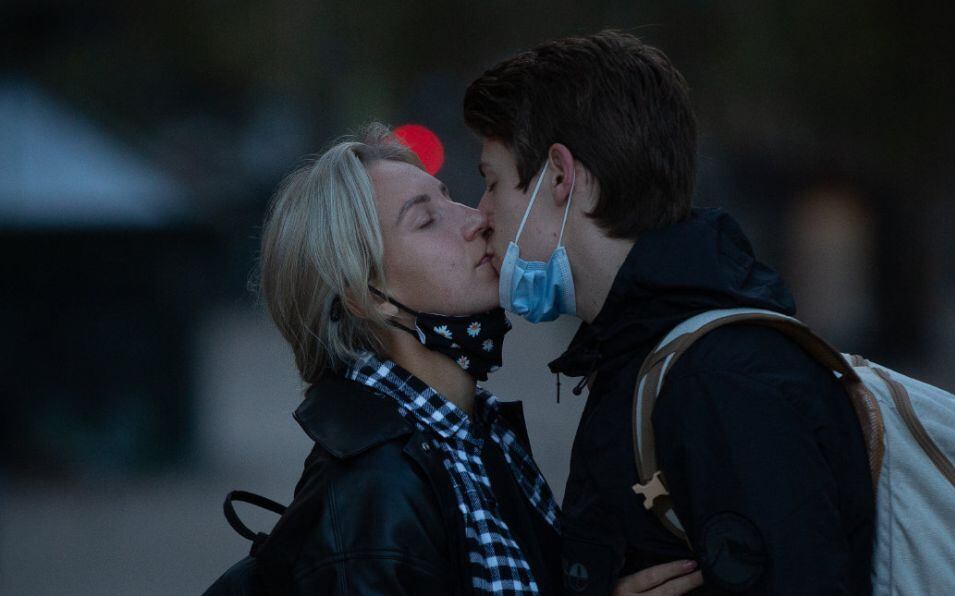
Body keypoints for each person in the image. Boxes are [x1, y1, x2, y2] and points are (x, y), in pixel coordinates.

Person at [204, 123, 703, 595]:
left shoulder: (478, 438)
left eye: (450, 197)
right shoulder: (371, 495)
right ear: (367, 295)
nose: (476, 219)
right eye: (426, 220)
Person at [464, 31, 875, 594]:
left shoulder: (722, 379)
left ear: (560, 177)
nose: (481, 214)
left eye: (491, 184)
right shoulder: (643, 344)